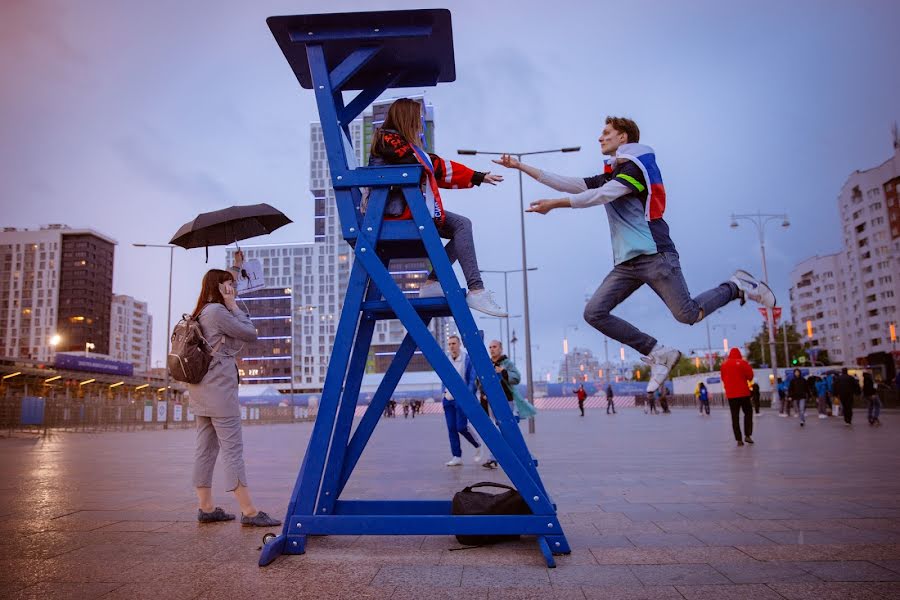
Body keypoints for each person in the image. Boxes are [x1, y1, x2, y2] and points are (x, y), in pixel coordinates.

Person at [497, 116, 775, 393]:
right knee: (594, 313)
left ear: (623, 138)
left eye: (606, 132)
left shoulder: (635, 170)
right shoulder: (612, 174)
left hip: (656, 256)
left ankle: (735, 286)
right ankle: (658, 352)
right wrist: (520, 165)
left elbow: (601, 196)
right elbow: (567, 183)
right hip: (627, 264)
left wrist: (555, 205)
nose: (600, 137)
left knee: (688, 314)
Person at [369, 98, 506, 317]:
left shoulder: (405, 147)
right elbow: (429, 166)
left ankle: (437, 283)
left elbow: (436, 166)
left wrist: (478, 177)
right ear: (407, 119)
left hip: (409, 210)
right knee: (461, 224)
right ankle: (475, 290)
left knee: (462, 225)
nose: (420, 124)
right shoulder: (388, 140)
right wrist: (476, 177)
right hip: (394, 214)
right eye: (417, 119)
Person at [187, 266, 281, 527]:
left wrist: (237, 269)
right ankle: (249, 511)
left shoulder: (202, 311)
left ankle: (205, 507)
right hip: (219, 390)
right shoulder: (217, 311)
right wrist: (234, 304)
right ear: (219, 288)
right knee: (232, 450)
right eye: (228, 285)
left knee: (205, 448)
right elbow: (250, 333)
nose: (233, 289)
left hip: (201, 388)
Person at [482, 340, 536, 469]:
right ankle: (494, 458)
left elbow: (516, 378)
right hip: (492, 401)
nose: (492, 349)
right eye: (490, 347)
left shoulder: (507, 363)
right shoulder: (487, 363)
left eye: (494, 347)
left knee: (509, 429)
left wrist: (503, 371)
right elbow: (481, 379)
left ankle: (522, 455)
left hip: (507, 400)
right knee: (496, 429)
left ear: (500, 348)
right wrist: (483, 392)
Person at [442, 335, 483, 466]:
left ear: (459, 344)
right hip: (448, 398)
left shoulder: (467, 359)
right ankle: (456, 456)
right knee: (451, 428)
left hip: (462, 398)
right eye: (449, 344)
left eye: (454, 343)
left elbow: (472, 379)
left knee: (461, 427)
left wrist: (468, 395)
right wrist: (444, 392)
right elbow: (443, 377)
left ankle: (477, 444)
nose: (451, 346)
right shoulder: (446, 360)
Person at [721, 347, 754, 446]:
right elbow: (750, 376)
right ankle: (747, 435)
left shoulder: (724, 365)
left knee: (735, 417)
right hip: (744, 393)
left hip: (731, 395)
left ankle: (739, 439)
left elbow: (723, 378)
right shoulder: (743, 363)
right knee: (748, 413)